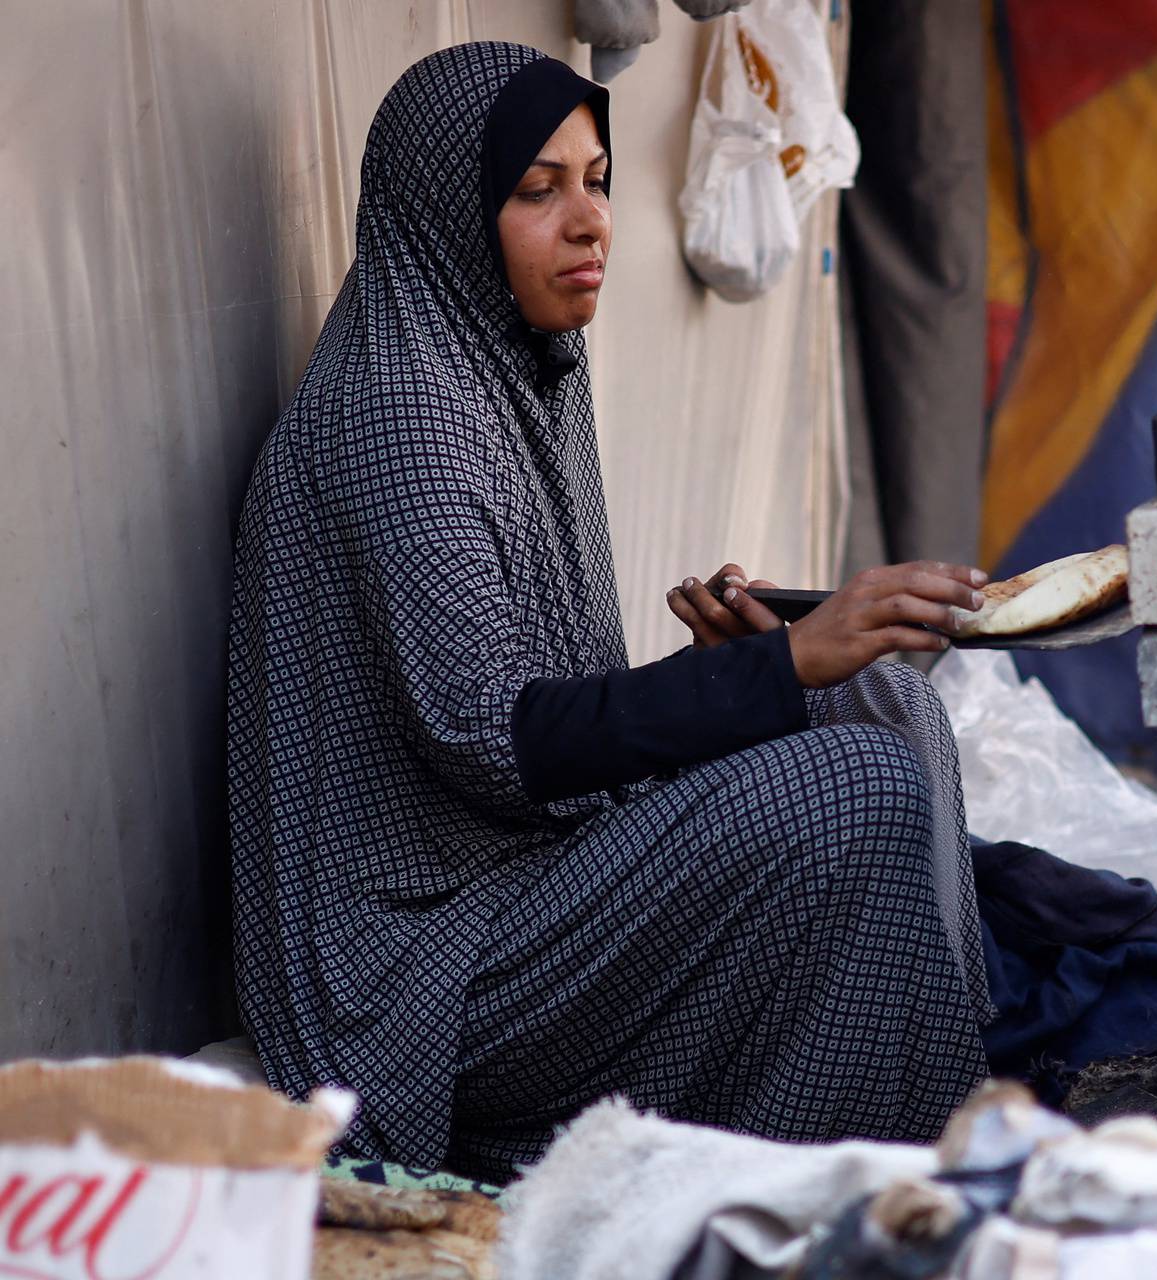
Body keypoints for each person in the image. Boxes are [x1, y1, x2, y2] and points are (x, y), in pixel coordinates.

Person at [227, 43, 1001, 1183]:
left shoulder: (527, 365)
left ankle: (918, 1118)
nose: (590, 222)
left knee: (881, 706)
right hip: (423, 975)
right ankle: (829, 1181)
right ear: (448, 210)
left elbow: (553, 718)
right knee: (856, 786)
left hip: (535, 878)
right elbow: (495, 738)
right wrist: (770, 670)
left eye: (596, 180)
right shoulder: (400, 406)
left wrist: (752, 672)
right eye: (538, 190)